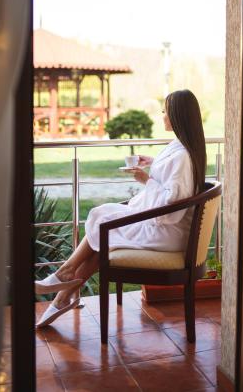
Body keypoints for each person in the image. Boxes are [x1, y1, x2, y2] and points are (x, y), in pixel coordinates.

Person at [35, 89, 206, 328]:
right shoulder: (181, 148)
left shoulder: (182, 157)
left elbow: (171, 207)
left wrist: (146, 180)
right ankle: (65, 291)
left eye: (165, 111)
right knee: (102, 224)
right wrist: (154, 163)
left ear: (177, 116)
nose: (162, 115)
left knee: (102, 220)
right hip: (162, 226)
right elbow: (175, 182)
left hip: (167, 232)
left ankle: (65, 279)